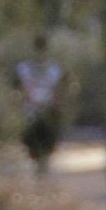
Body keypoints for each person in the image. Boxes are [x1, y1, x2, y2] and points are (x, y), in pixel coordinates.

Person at [13, 32, 68, 169]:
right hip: (30, 112)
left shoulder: (54, 70)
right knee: (31, 143)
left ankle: (44, 165)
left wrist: (56, 103)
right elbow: (18, 90)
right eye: (38, 50)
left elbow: (59, 90)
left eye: (43, 50)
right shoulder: (24, 69)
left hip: (48, 112)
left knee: (48, 141)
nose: (40, 53)